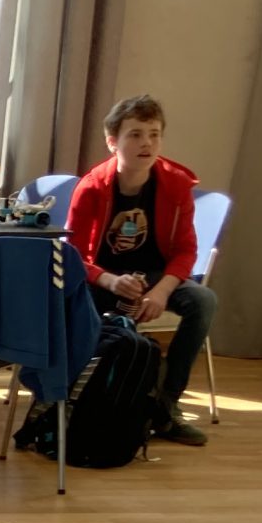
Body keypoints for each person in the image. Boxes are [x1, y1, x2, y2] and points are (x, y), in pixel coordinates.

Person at [66, 93, 213, 445]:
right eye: (135, 135)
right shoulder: (92, 187)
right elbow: (73, 254)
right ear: (112, 142)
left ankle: (166, 406)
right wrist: (108, 280)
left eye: (154, 134)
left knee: (203, 301)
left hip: (155, 276)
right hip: (104, 276)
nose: (146, 143)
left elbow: (186, 250)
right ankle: (84, 397)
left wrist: (162, 291)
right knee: (71, 299)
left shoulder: (176, 184)